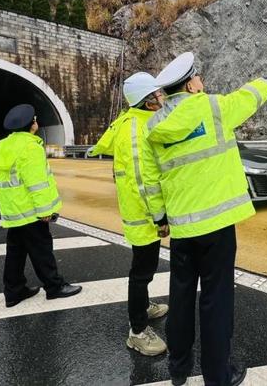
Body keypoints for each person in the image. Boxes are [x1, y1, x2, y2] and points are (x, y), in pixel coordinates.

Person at [141, 52, 267, 386]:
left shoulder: (153, 126)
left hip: (181, 227)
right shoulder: (212, 107)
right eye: (198, 77)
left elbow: (150, 180)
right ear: (191, 84)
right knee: (216, 300)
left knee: (180, 296)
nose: (201, 81)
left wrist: (160, 217)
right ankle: (217, 376)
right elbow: (247, 97)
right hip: (217, 227)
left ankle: (178, 370)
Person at [89, 72, 170, 356]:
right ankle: (137, 331)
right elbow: (143, 180)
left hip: (141, 212)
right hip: (144, 214)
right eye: (158, 95)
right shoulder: (138, 129)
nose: (162, 98)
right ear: (147, 102)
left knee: (143, 270)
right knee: (141, 272)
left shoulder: (131, 122)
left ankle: (144, 307)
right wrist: (159, 217)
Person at [0, 104, 82, 307]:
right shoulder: (30, 147)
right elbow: (37, 183)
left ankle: (14, 291)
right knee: (42, 250)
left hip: (13, 211)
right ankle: (54, 287)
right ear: (32, 124)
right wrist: (45, 211)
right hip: (31, 212)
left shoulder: (3, 147)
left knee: (15, 253)